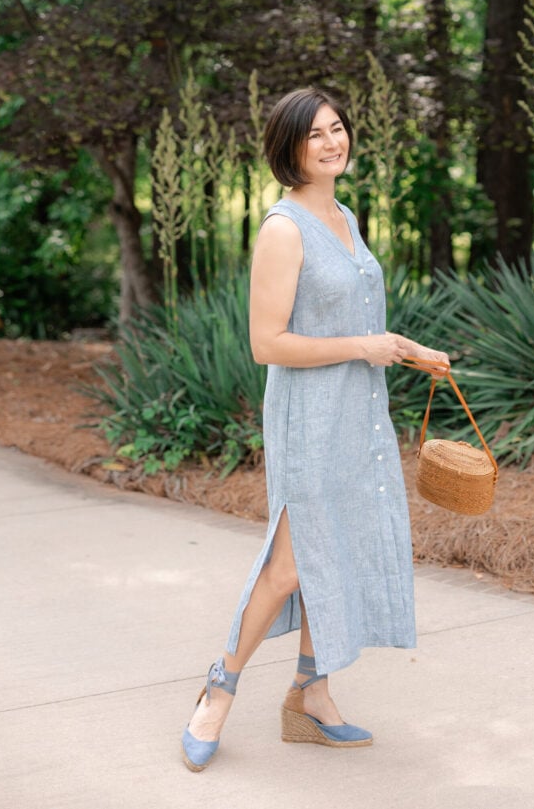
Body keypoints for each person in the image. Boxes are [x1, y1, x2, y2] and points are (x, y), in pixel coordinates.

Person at [181, 86, 450, 771]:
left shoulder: (341, 214)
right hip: (309, 418)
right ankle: (219, 687)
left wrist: (408, 350)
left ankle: (310, 693)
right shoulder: (283, 227)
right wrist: (365, 347)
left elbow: (353, 321)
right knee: (290, 564)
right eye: (315, 135)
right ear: (288, 148)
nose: (332, 142)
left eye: (337, 128)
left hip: (359, 413)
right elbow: (267, 343)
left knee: (340, 550)